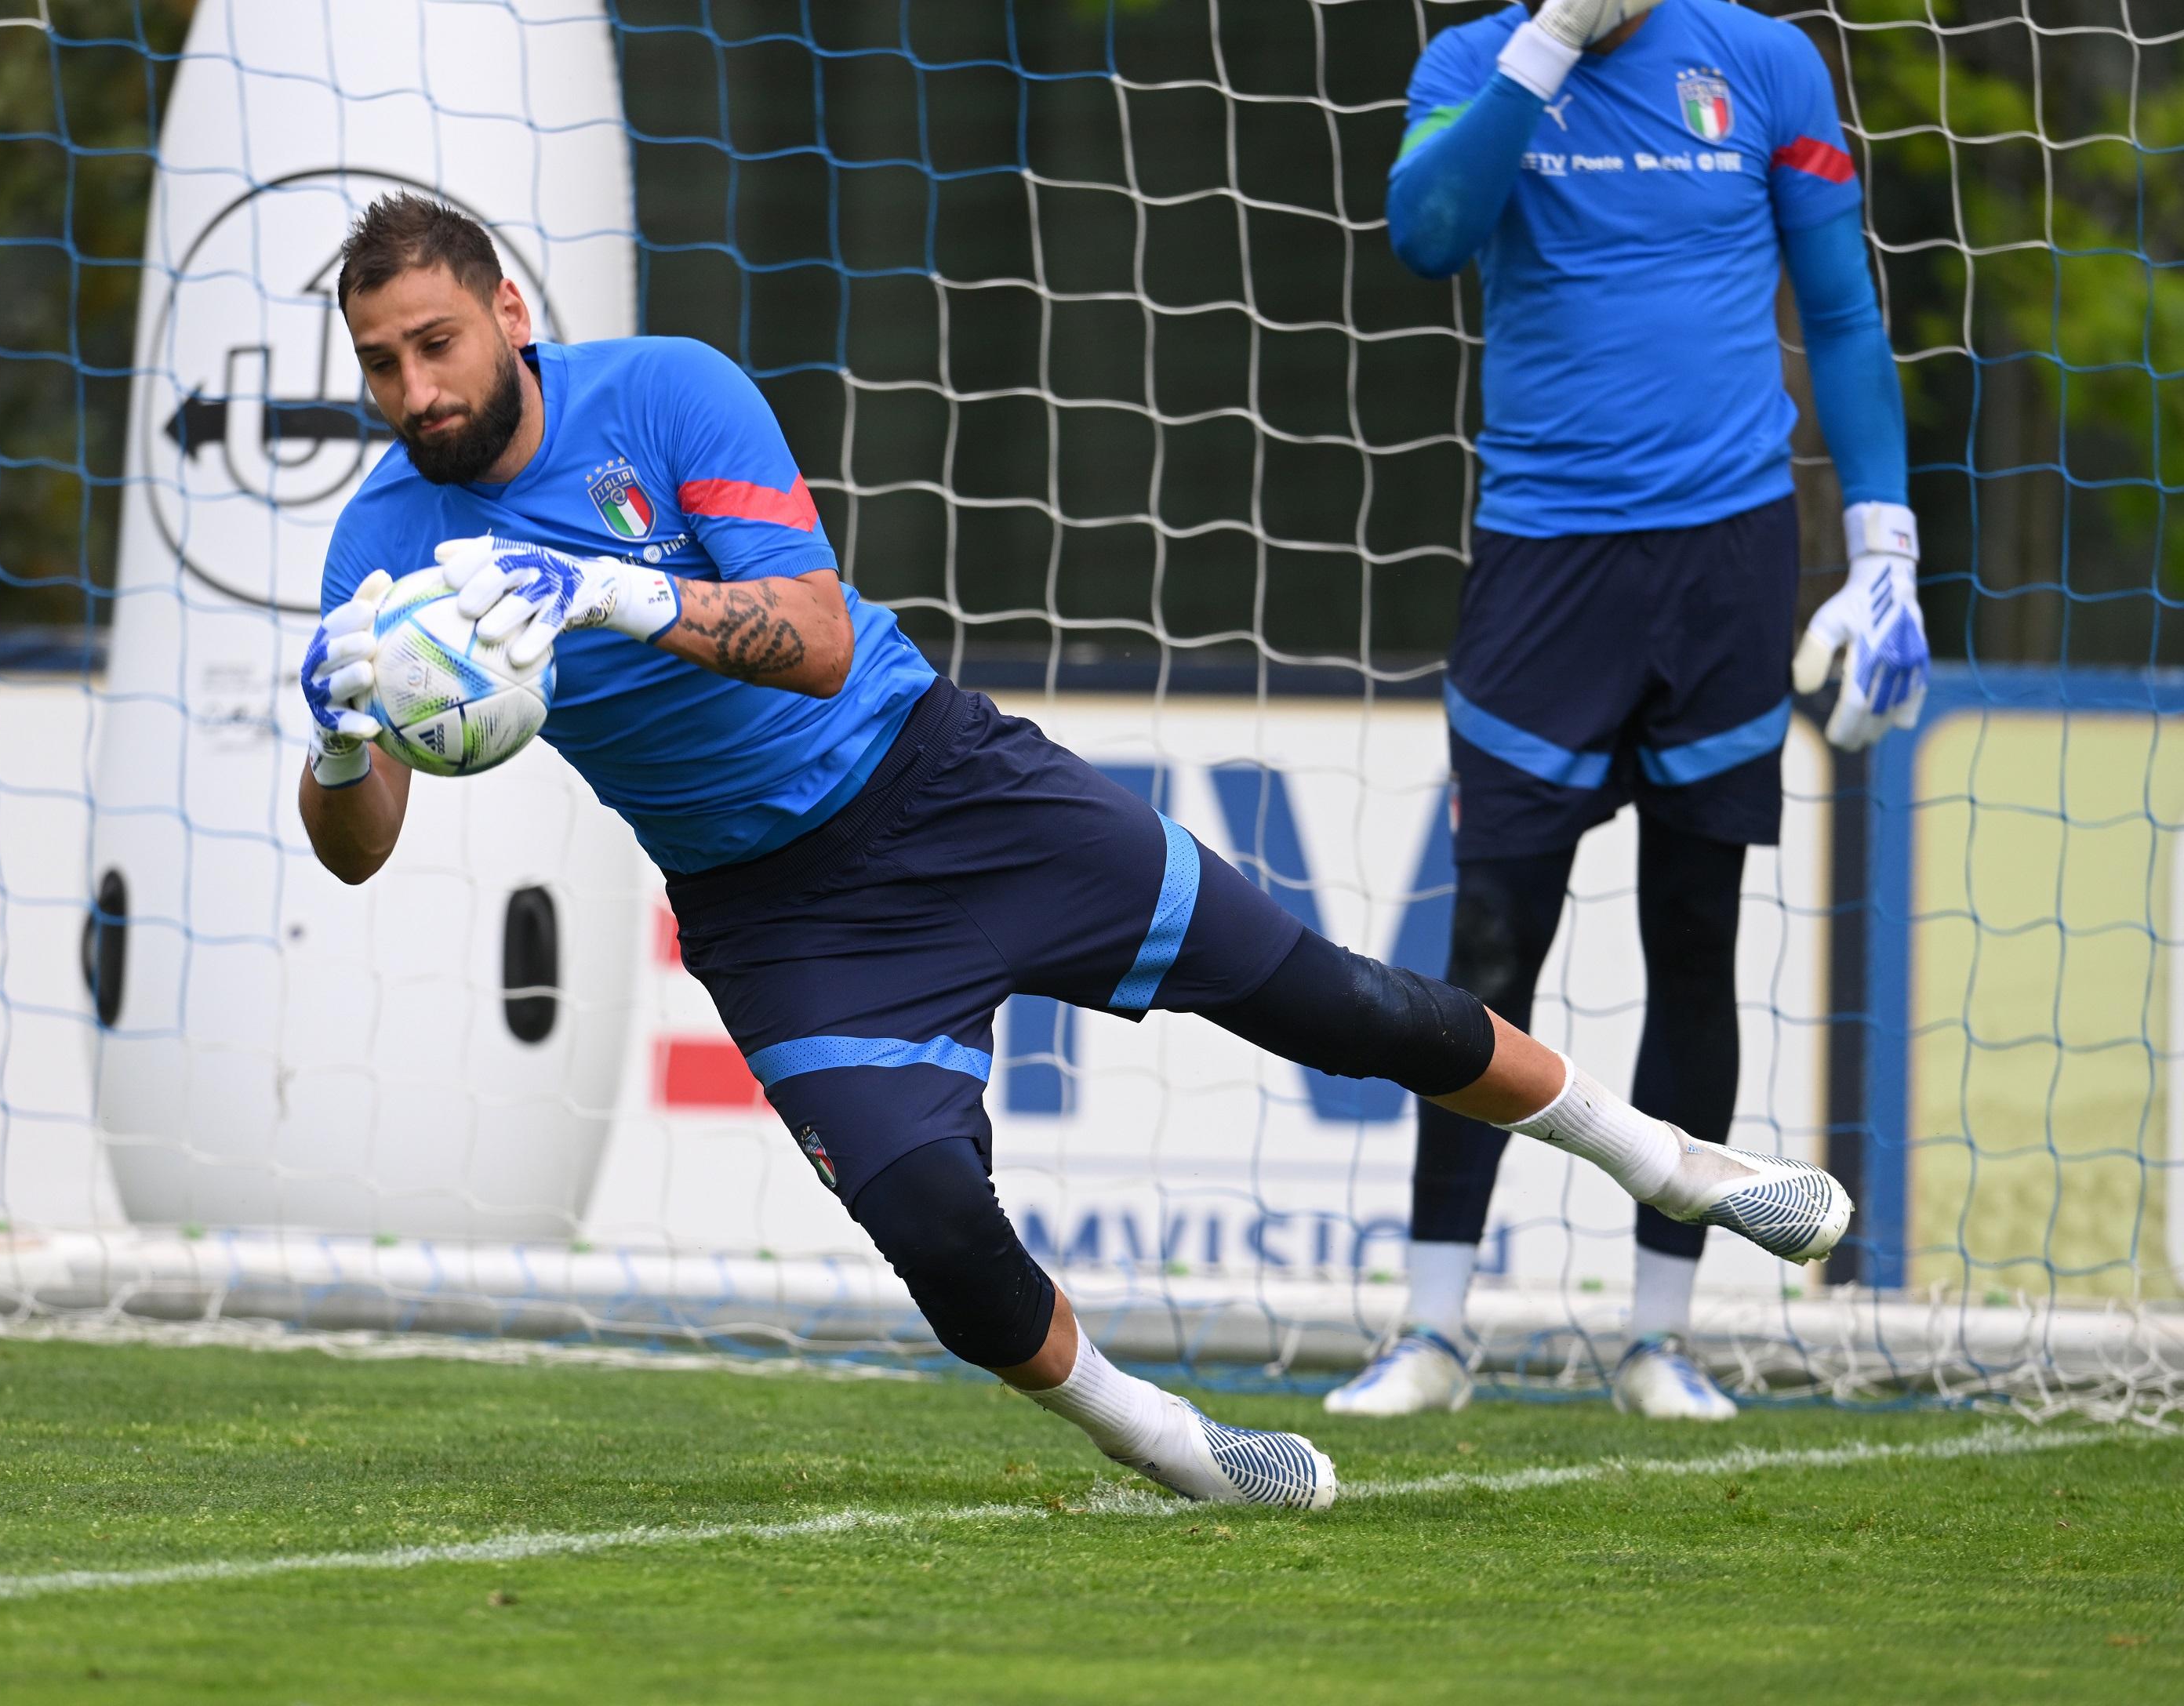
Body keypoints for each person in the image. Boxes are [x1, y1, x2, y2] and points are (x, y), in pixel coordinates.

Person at [297, 194, 1853, 1505]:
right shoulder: (382, 544)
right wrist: (338, 740)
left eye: (437, 344)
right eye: (381, 365)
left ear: (508, 308)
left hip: (951, 789)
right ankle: (1178, 1445)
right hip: (778, 915)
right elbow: (361, 854)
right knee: (941, 1242)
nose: (416, 389)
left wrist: (617, 595)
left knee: (1339, 1004)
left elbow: (825, 642)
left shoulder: (667, 391)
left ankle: (1677, 1162)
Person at [1333, 0, 1926, 1422]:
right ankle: (1433, 1333)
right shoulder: (1472, 62)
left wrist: (1886, 545)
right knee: (1489, 945)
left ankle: (1661, 1337)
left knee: (1695, 940)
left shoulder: (1768, 62)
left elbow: (1841, 310)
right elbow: (1426, 234)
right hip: (1545, 560)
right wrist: (1542, 49)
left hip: (1727, 562)